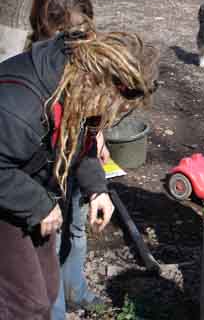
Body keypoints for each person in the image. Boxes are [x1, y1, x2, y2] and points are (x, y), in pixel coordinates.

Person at [0, 28, 158, 319]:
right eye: (118, 108)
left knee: (47, 291)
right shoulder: (22, 104)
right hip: (10, 191)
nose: (113, 117)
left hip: (28, 188)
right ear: (103, 83)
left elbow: (80, 143)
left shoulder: (81, 91)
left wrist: (97, 188)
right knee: (25, 304)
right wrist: (38, 204)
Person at [27, 0, 112, 317]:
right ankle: (57, 309)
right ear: (49, 33)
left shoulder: (83, 62)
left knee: (77, 228)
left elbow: (88, 117)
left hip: (73, 163)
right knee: (47, 246)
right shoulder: (29, 78)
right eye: (71, 35)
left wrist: (97, 134)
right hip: (41, 178)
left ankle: (76, 288)